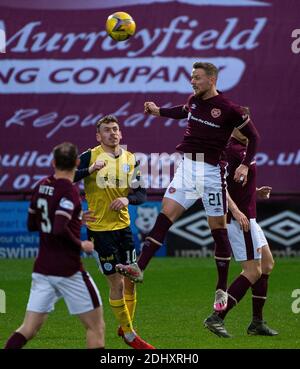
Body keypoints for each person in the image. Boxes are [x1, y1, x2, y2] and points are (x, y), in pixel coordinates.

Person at [116, 62, 260, 312]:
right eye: (192, 77)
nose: (192, 81)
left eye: (197, 78)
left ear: (212, 80)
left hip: (212, 173)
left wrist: (245, 165)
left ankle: (221, 287)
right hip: (187, 168)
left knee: (218, 228)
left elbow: (255, 137)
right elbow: (184, 111)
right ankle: (139, 267)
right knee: (165, 213)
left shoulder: (229, 109)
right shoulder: (194, 100)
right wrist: (157, 111)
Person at [4, 142, 105, 349]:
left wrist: (75, 217)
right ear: (78, 162)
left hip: (43, 268)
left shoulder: (42, 184)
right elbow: (59, 228)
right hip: (68, 270)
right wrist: (81, 244)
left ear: (53, 162)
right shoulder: (70, 190)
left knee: (28, 328)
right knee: (96, 328)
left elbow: (32, 224)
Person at [74, 115, 155, 349]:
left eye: (115, 129)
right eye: (107, 130)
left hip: (124, 229)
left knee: (131, 281)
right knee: (117, 284)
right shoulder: (90, 156)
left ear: (121, 133)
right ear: (98, 136)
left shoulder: (131, 159)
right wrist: (89, 169)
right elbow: (65, 176)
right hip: (100, 231)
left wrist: (126, 198)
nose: (113, 133)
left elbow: (141, 194)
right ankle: (130, 335)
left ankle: (124, 324)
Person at [204, 124, 278, 337]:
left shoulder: (244, 149)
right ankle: (217, 317)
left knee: (267, 264)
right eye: (242, 128)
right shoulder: (229, 151)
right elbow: (218, 186)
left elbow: (235, 185)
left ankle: (257, 323)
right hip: (239, 220)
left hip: (249, 216)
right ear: (232, 129)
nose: (247, 132)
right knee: (252, 270)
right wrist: (236, 212)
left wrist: (255, 192)